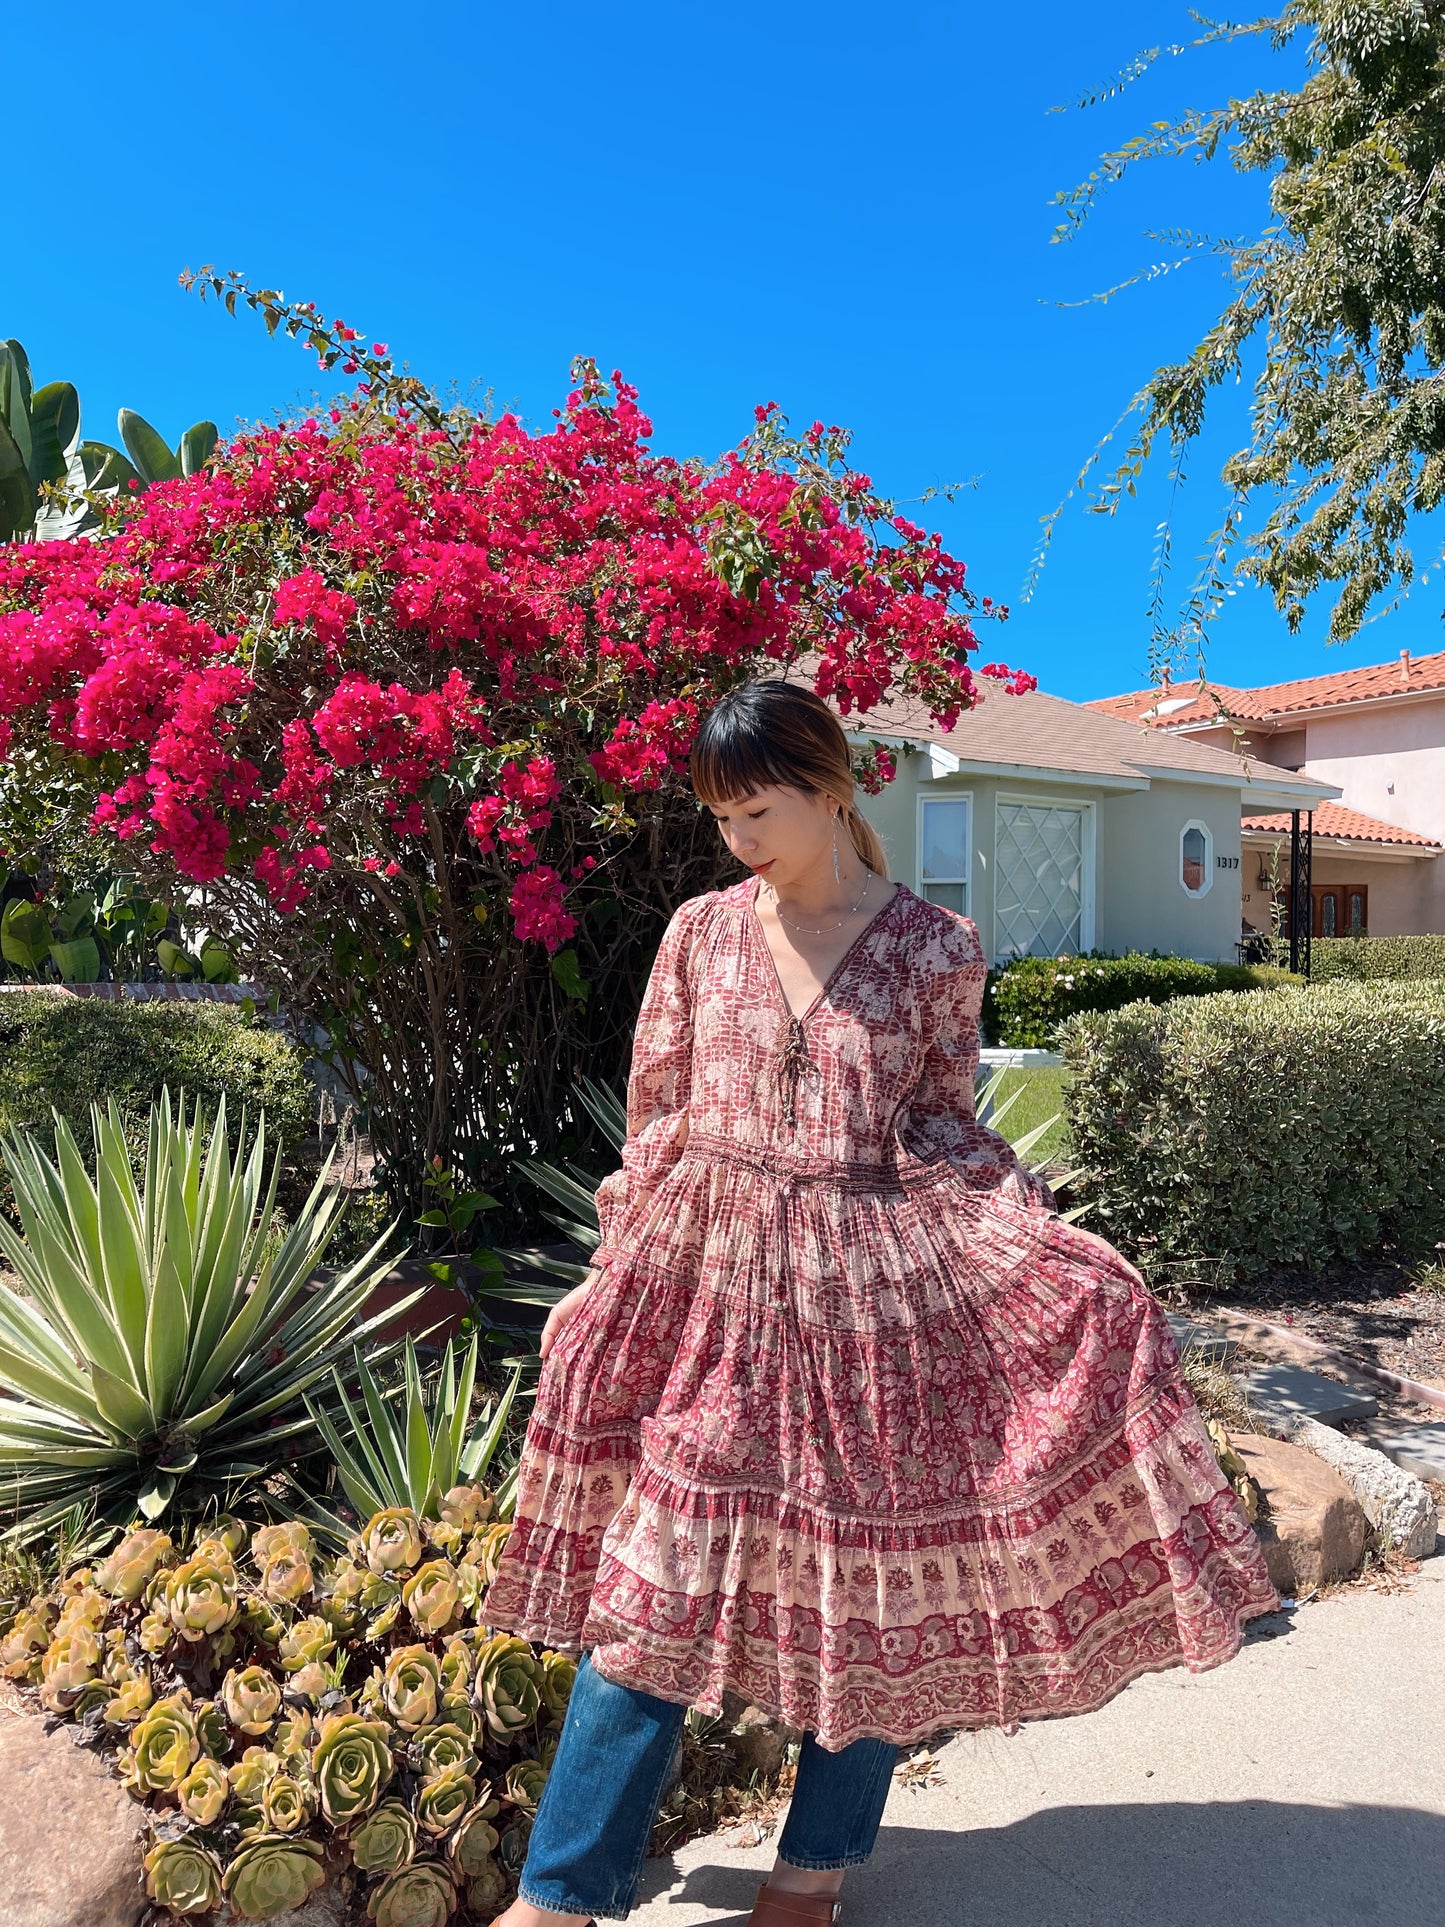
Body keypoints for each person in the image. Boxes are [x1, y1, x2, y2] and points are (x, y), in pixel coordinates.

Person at [485, 679, 1279, 1926]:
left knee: (862, 1598)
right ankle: (558, 1895)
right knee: (651, 1587)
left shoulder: (933, 949)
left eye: (756, 808)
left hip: (873, 1309)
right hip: (716, 1294)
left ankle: (810, 1877)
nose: (737, 837)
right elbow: (660, 1117)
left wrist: (1038, 1247)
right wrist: (611, 1264)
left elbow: (942, 1127)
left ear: (831, 788)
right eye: (720, 815)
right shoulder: (699, 931)